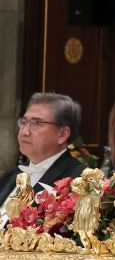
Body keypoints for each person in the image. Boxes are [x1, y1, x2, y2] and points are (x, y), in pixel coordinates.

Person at [0, 93, 86, 223]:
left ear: (62, 134)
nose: (24, 132)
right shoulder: (11, 175)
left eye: (36, 123)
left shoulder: (78, 181)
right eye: (23, 122)